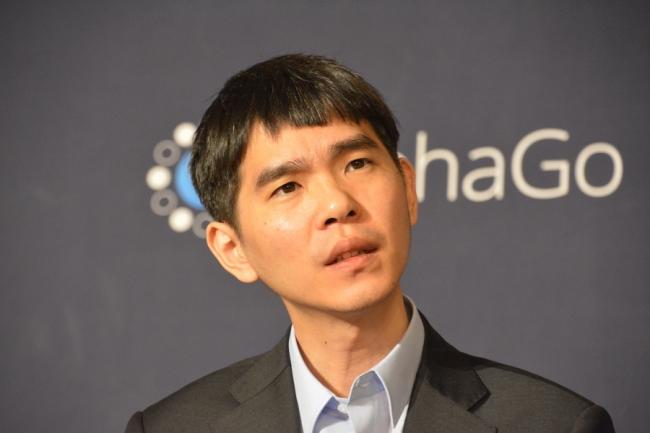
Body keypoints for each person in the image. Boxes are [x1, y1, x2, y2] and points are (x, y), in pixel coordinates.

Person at [125, 54, 615, 433]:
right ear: (233, 250)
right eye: (288, 187)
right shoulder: (171, 428)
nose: (338, 204)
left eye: (357, 164)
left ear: (407, 187)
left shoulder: (554, 424)